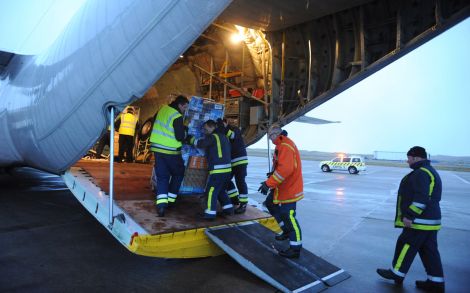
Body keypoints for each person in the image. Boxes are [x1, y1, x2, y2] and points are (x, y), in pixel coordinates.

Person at [377, 146, 444, 292]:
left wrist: (409, 215)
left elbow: (421, 198)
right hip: (430, 222)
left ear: (416, 157)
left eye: (409, 158)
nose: (407, 161)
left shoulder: (421, 173)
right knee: (429, 251)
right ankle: (436, 282)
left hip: (419, 222)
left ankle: (396, 274)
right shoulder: (429, 171)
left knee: (405, 244)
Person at [258, 124, 304, 258]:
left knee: (289, 216)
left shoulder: (285, 146)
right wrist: (272, 174)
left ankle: (295, 248)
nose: (269, 139)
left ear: (276, 134)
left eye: (270, 136)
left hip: (289, 188)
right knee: (270, 204)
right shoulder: (280, 144)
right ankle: (286, 231)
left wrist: (268, 183)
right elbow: (280, 166)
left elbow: (286, 170)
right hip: (281, 187)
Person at [150, 95, 189, 217]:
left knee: (162, 177)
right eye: (185, 108)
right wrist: (186, 133)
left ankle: (161, 206)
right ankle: (171, 201)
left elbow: (157, 123)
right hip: (171, 151)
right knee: (178, 173)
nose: (185, 111)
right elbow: (179, 137)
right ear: (180, 105)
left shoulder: (162, 109)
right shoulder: (177, 116)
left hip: (157, 149)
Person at [188, 120, 234, 220]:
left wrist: (190, 139)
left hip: (218, 170)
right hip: (227, 170)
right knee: (221, 190)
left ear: (211, 127)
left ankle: (210, 214)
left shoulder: (213, 137)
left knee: (211, 191)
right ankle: (228, 209)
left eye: (205, 129)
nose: (204, 131)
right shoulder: (224, 137)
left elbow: (200, 144)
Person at [219, 118, 249, 214]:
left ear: (226, 122)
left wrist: (223, 127)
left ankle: (243, 204)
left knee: (240, 182)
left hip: (240, 161)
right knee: (226, 180)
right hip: (231, 162)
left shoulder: (235, 129)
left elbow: (231, 136)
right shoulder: (224, 132)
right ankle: (234, 199)